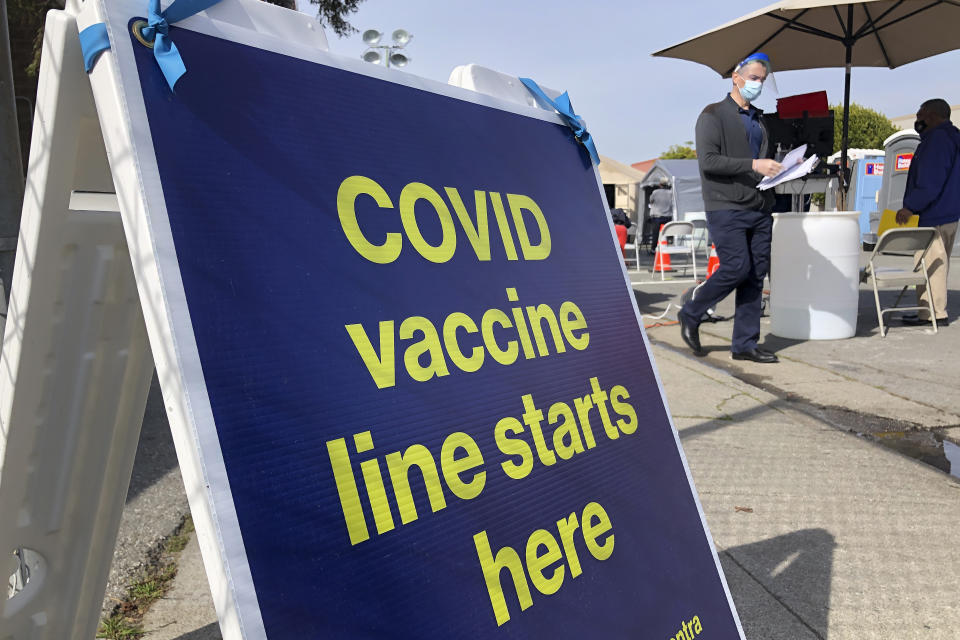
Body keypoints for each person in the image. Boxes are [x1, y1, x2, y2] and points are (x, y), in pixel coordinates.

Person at [678, 52, 782, 363]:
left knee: (755, 275)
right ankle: (692, 311)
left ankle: (745, 344)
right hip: (726, 206)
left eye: (761, 80)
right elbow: (708, 162)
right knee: (737, 267)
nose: (758, 84)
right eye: (753, 78)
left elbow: (762, 164)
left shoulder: (760, 120)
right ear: (736, 78)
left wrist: (782, 167)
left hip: (760, 206)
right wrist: (754, 164)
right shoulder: (712, 115)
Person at [895, 98, 960, 327]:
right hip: (950, 213)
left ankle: (933, 313)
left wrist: (910, 206)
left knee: (930, 264)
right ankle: (928, 310)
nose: (918, 119)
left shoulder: (937, 140)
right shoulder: (953, 137)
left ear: (932, 116)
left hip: (933, 214)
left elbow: (930, 181)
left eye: (920, 115)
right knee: (937, 264)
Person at [647, 178, 674, 251]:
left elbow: (651, 201)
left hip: (657, 216)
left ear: (659, 184)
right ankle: (667, 248)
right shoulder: (670, 193)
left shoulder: (655, 192)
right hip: (667, 216)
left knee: (655, 234)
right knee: (667, 233)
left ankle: (653, 249)